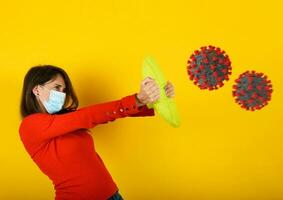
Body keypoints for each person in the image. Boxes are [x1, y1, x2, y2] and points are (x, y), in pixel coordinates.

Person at [19, 65, 175, 200]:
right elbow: (89, 116)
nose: (62, 94)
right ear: (36, 90)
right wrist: (138, 99)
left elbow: (105, 116)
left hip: (112, 195)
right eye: (56, 87)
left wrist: (157, 100)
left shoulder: (64, 119)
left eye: (64, 89)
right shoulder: (30, 125)